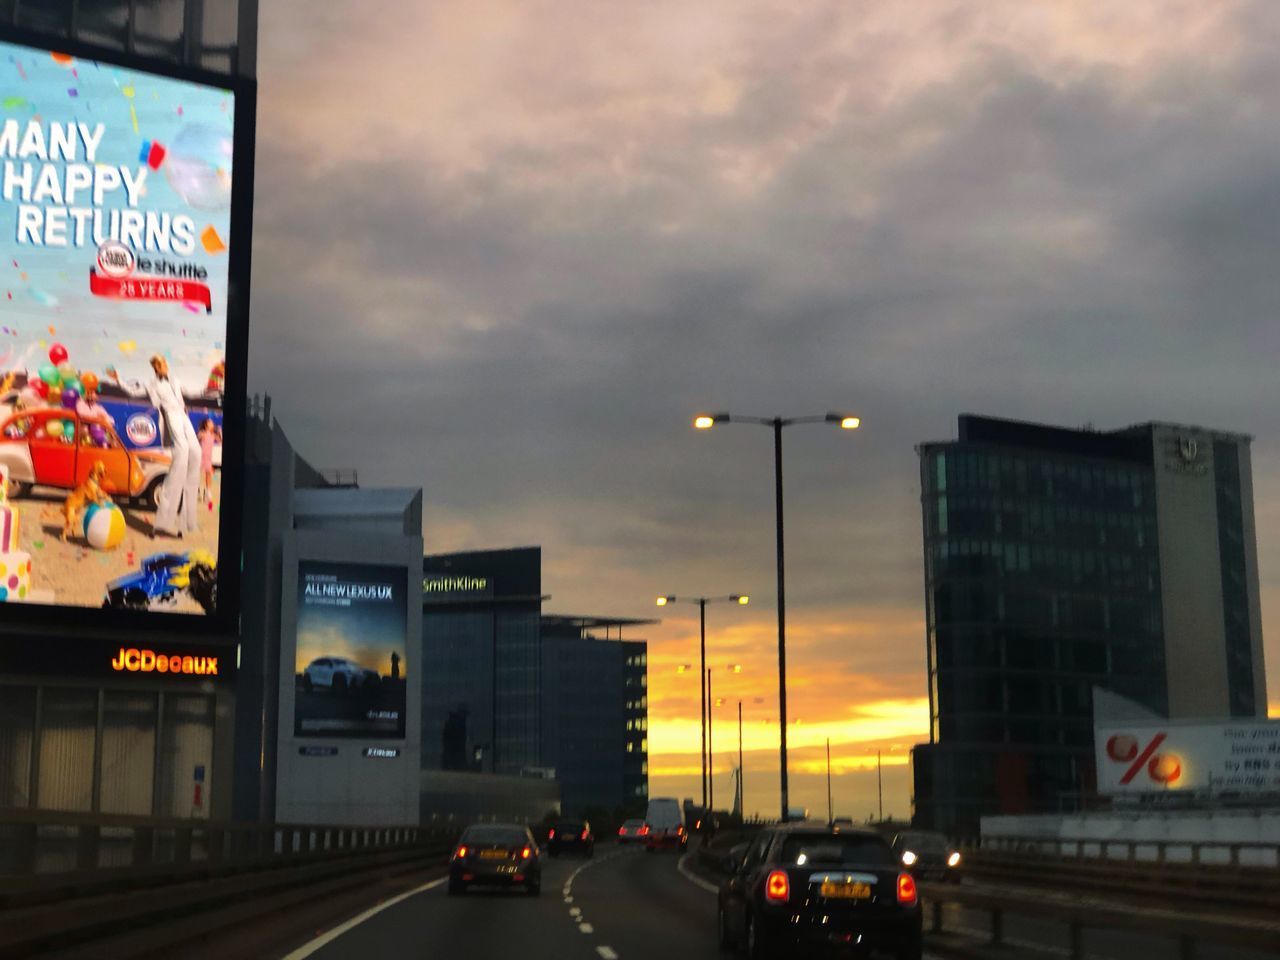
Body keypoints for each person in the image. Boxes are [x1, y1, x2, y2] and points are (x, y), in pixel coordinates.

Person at [110, 356, 204, 538]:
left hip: (183, 416)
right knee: (182, 455)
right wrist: (118, 379)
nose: (164, 367)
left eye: (165, 363)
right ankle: (163, 524)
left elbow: (192, 392)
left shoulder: (175, 381)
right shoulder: (151, 383)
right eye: (160, 365)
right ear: (155, 367)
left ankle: (188, 518)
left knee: (196, 453)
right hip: (170, 416)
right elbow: (132, 391)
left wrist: (212, 388)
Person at [198, 418, 220, 506]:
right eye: (211, 423)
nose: (213, 424)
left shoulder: (213, 435)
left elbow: (219, 440)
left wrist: (219, 432)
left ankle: (208, 493)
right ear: (206, 425)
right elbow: (197, 439)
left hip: (208, 458)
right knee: (197, 475)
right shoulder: (202, 434)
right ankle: (198, 490)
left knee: (208, 475)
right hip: (200, 457)